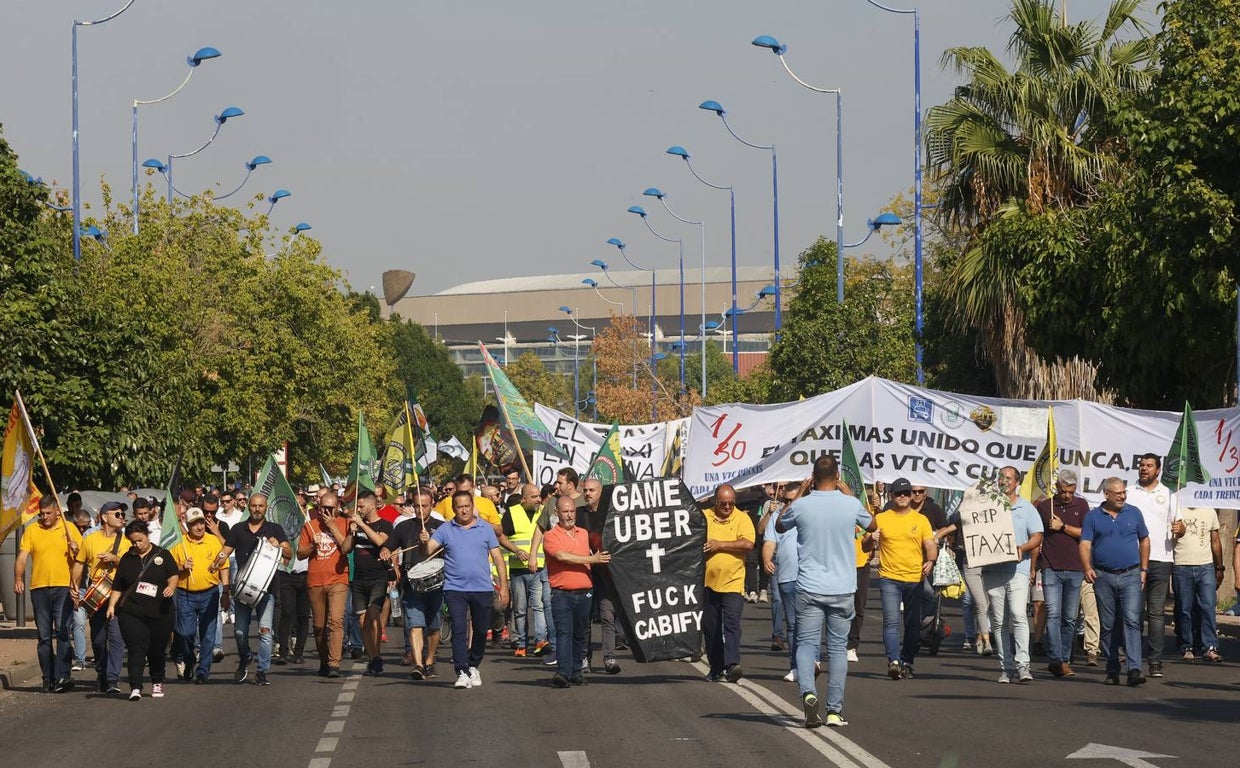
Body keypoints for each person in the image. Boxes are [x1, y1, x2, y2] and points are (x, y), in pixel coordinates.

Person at [777, 455, 875, 728]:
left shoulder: (803, 506)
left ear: (812, 477)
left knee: (807, 645)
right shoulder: (850, 504)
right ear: (837, 476)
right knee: (837, 650)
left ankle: (808, 692)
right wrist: (850, 494)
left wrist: (797, 498)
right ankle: (834, 711)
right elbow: (873, 526)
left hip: (809, 586)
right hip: (842, 588)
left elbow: (779, 525)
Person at [422, 490, 509, 689]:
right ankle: (461, 670)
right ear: (453, 509)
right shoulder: (445, 529)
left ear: (473, 507)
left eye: (467, 506)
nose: (463, 510)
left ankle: (473, 665)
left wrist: (504, 587)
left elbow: (498, 558)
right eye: (459, 507)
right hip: (455, 588)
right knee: (459, 629)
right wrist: (424, 541)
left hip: (482, 588)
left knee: (480, 630)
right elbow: (427, 550)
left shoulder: (485, 529)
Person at [210, 493, 292, 685]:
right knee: (239, 632)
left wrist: (278, 544)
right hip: (242, 588)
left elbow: (289, 552)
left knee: (265, 631)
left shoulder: (275, 529)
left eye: (261, 506)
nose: (257, 509)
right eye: (254, 505)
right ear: (248, 506)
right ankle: (245, 657)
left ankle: (262, 670)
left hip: (266, 589)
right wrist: (217, 561)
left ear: (265, 507)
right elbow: (226, 551)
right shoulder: (238, 529)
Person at [1080, 477, 1150, 687]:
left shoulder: (1134, 513)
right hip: (1103, 576)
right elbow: (1085, 544)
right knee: (1109, 625)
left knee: (1132, 620)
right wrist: (1087, 568)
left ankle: (1134, 669)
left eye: (1124, 492)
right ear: (1107, 494)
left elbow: (1144, 539)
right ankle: (1112, 669)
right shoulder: (1093, 516)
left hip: (1131, 575)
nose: (1122, 496)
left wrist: (1144, 568)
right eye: (1118, 493)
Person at [865, 477, 937, 680]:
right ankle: (894, 661)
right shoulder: (882, 518)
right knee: (891, 621)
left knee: (913, 624)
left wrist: (931, 560)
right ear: (892, 496)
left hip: (915, 578)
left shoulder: (920, 520)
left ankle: (908, 661)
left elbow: (930, 544)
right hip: (889, 578)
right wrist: (871, 539)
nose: (904, 497)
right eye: (899, 493)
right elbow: (865, 546)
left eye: (907, 493)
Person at [15, 495, 83, 693]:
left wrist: (76, 548)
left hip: (63, 587)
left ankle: (63, 676)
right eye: (42, 513)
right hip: (39, 588)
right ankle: (48, 678)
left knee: (63, 632)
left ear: (57, 511)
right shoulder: (32, 530)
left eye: (48, 513)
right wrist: (18, 578)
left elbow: (82, 558)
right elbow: (21, 557)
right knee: (44, 636)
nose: (44, 517)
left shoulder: (69, 529)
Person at [982, 467, 1044, 684]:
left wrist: (1023, 548)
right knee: (999, 621)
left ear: (1017, 482)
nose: (1004, 481)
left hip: (1018, 569)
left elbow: (1037, 536)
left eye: (1008, 478)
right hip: (992, 570)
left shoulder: (1026, 508)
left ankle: (1023, 665)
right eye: (1000, 478)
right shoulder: (987, 507)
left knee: (1018, 615)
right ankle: (1005, 668)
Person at [106, 520, 180, 701]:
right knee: (136, 648)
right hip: (132, 612)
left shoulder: (162, 555)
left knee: (156, 649)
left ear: (147, 536)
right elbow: (117, 586)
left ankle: (156, 680)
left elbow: (174, 575)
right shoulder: (127, 559)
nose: (136, 545)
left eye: (139, 540)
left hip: (160, 612)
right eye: (133, 542)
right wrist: (111, 606)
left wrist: (171, 587)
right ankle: (135, 686)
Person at [542, 494, 610, 687]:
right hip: (562, 594)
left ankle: (576, 672)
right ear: (557, 513)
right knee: (564, 633)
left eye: (572, 511)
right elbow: (563, 557)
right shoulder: (551, 536)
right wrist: (591, 560)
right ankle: (562, 672)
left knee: (580, 634)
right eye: (566, 512)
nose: (570, 515)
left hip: (585, 593)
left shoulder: (583, 533)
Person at [1126, 453, 1179, 678]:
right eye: (1141, 465)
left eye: (1149, 466)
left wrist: (1181, 529)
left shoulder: (1169, 493)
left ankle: (1155, 661)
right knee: (1134, 613)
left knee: (1156, 613)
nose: (1144, 469)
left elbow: (1181, 524)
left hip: (1161, 559)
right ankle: (1133, 659)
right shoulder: (1128, 492)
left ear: (1158, 470)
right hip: (1133, 561)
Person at [70, 500, 129, 694]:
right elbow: (79, 564)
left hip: (118, 594)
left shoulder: (127, 541)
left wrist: (116, 560)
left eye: (122, 514)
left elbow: (134, 567)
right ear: (104, 517)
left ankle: (112, 679)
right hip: (96, 595)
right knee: (97, 639)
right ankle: (102, 673)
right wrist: (74, 586)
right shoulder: (91, 540)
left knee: (116, 637)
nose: (122, 517)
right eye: (117, 514)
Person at [1035, 469, 1089, 678]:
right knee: (1054, 613)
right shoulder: (1045, 506)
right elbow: (1036, 532)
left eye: (1071, 491)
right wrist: (1033, 566)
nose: (1067, 495)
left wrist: (1063, 526)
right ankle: (1057, 659)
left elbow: (1086, 533)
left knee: (1070, 617)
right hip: (1051, 567)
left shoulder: (1081, 505)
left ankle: (1065, 657)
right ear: (1057, 487)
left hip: (1075, 568)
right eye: (1064, 491)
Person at [386, 488, 445, 680]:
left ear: (432, 505)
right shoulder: (403, 527)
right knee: (415, 624)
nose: (420, 510)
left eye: (425, 506)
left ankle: (429, 660)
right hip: (411, 583)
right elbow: (390, 545)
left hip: (435, 584)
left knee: (434, 626)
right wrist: (386, 551)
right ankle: (418, 664)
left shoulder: (442, 527)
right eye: (417, 506)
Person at [297, 490, 353, 678]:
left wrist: (333, 527)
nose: (327, 512)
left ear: (337, 507)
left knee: (335, 621)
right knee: (319, 626)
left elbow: (345, 548)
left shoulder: (345, 523)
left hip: (338, 579)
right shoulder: (310, 526)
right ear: (318, 507)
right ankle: (323, 659)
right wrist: (313, 545)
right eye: (324, 508)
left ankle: (334, 663)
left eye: (331, 508)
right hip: (316, 580)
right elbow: (300, 553)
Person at [169, 507, 229, 683]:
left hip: (209, 594)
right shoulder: (179, 544)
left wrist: (226, 591)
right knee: (185, 633)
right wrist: (181, 567)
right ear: (187, 525)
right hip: (185, 595)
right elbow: (170, 571)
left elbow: (224, 567)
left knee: (208, 635)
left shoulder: (213, 541)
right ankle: (188, 662)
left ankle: (203, 671)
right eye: (194, 524)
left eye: (201, 522)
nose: (199, 527)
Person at [702, 484, 755, 683]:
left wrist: (720, 544)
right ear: (715, 501)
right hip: (706, 582)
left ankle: (732, 664)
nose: (727, 507)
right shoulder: (704, 516)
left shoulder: (741, 518)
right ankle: (715, 667)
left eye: (731, 503)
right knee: (710, 627)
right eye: (723, 503)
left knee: (731, 624)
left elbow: (748, 544)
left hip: (733, 582)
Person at [350, 490, 394, 676]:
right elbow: (346, 548)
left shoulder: (385, 524)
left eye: (361, 506)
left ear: (372, 505)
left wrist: (362, 525)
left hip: (378, 577)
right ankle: (372, 657)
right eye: (357, 507)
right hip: (359, 578)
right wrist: (351, 533)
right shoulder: (355, 525)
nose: (358, 510)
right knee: (363, 621)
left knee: (373, 615)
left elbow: (378, 540)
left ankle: (376, 656)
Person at [761, 483, 802, 680]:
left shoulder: (810, 513)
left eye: (794, 500)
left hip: (812, 578)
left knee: (811, 624)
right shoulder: (778, 517)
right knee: (793, 624)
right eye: (786, 500)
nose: (790, 504)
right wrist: (767, 559)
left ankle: (810, 660)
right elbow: (769, 541)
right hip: (787, 577)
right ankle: (796, 667)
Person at [1171, 506, 1223, 662]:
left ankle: (1210, 647)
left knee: (1208, 606)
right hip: (1181, 565)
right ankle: (1187, 646)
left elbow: (1215, 540)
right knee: (1184, 608)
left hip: (1206, 566)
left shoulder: (1209, 510)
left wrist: (1219, 567)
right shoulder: (1176, 508)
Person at [504, 483, 546, 658]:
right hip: (518, 570)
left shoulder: (544, 511)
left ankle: (541, 641)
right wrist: (516, 550)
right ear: (524, 499)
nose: (538, 499)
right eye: (534, 497)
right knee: (520, 610)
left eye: (539, 496)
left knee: (539, 606)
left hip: (540, 568)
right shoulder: (512, 513)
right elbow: (501, 537)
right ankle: (521, 644)